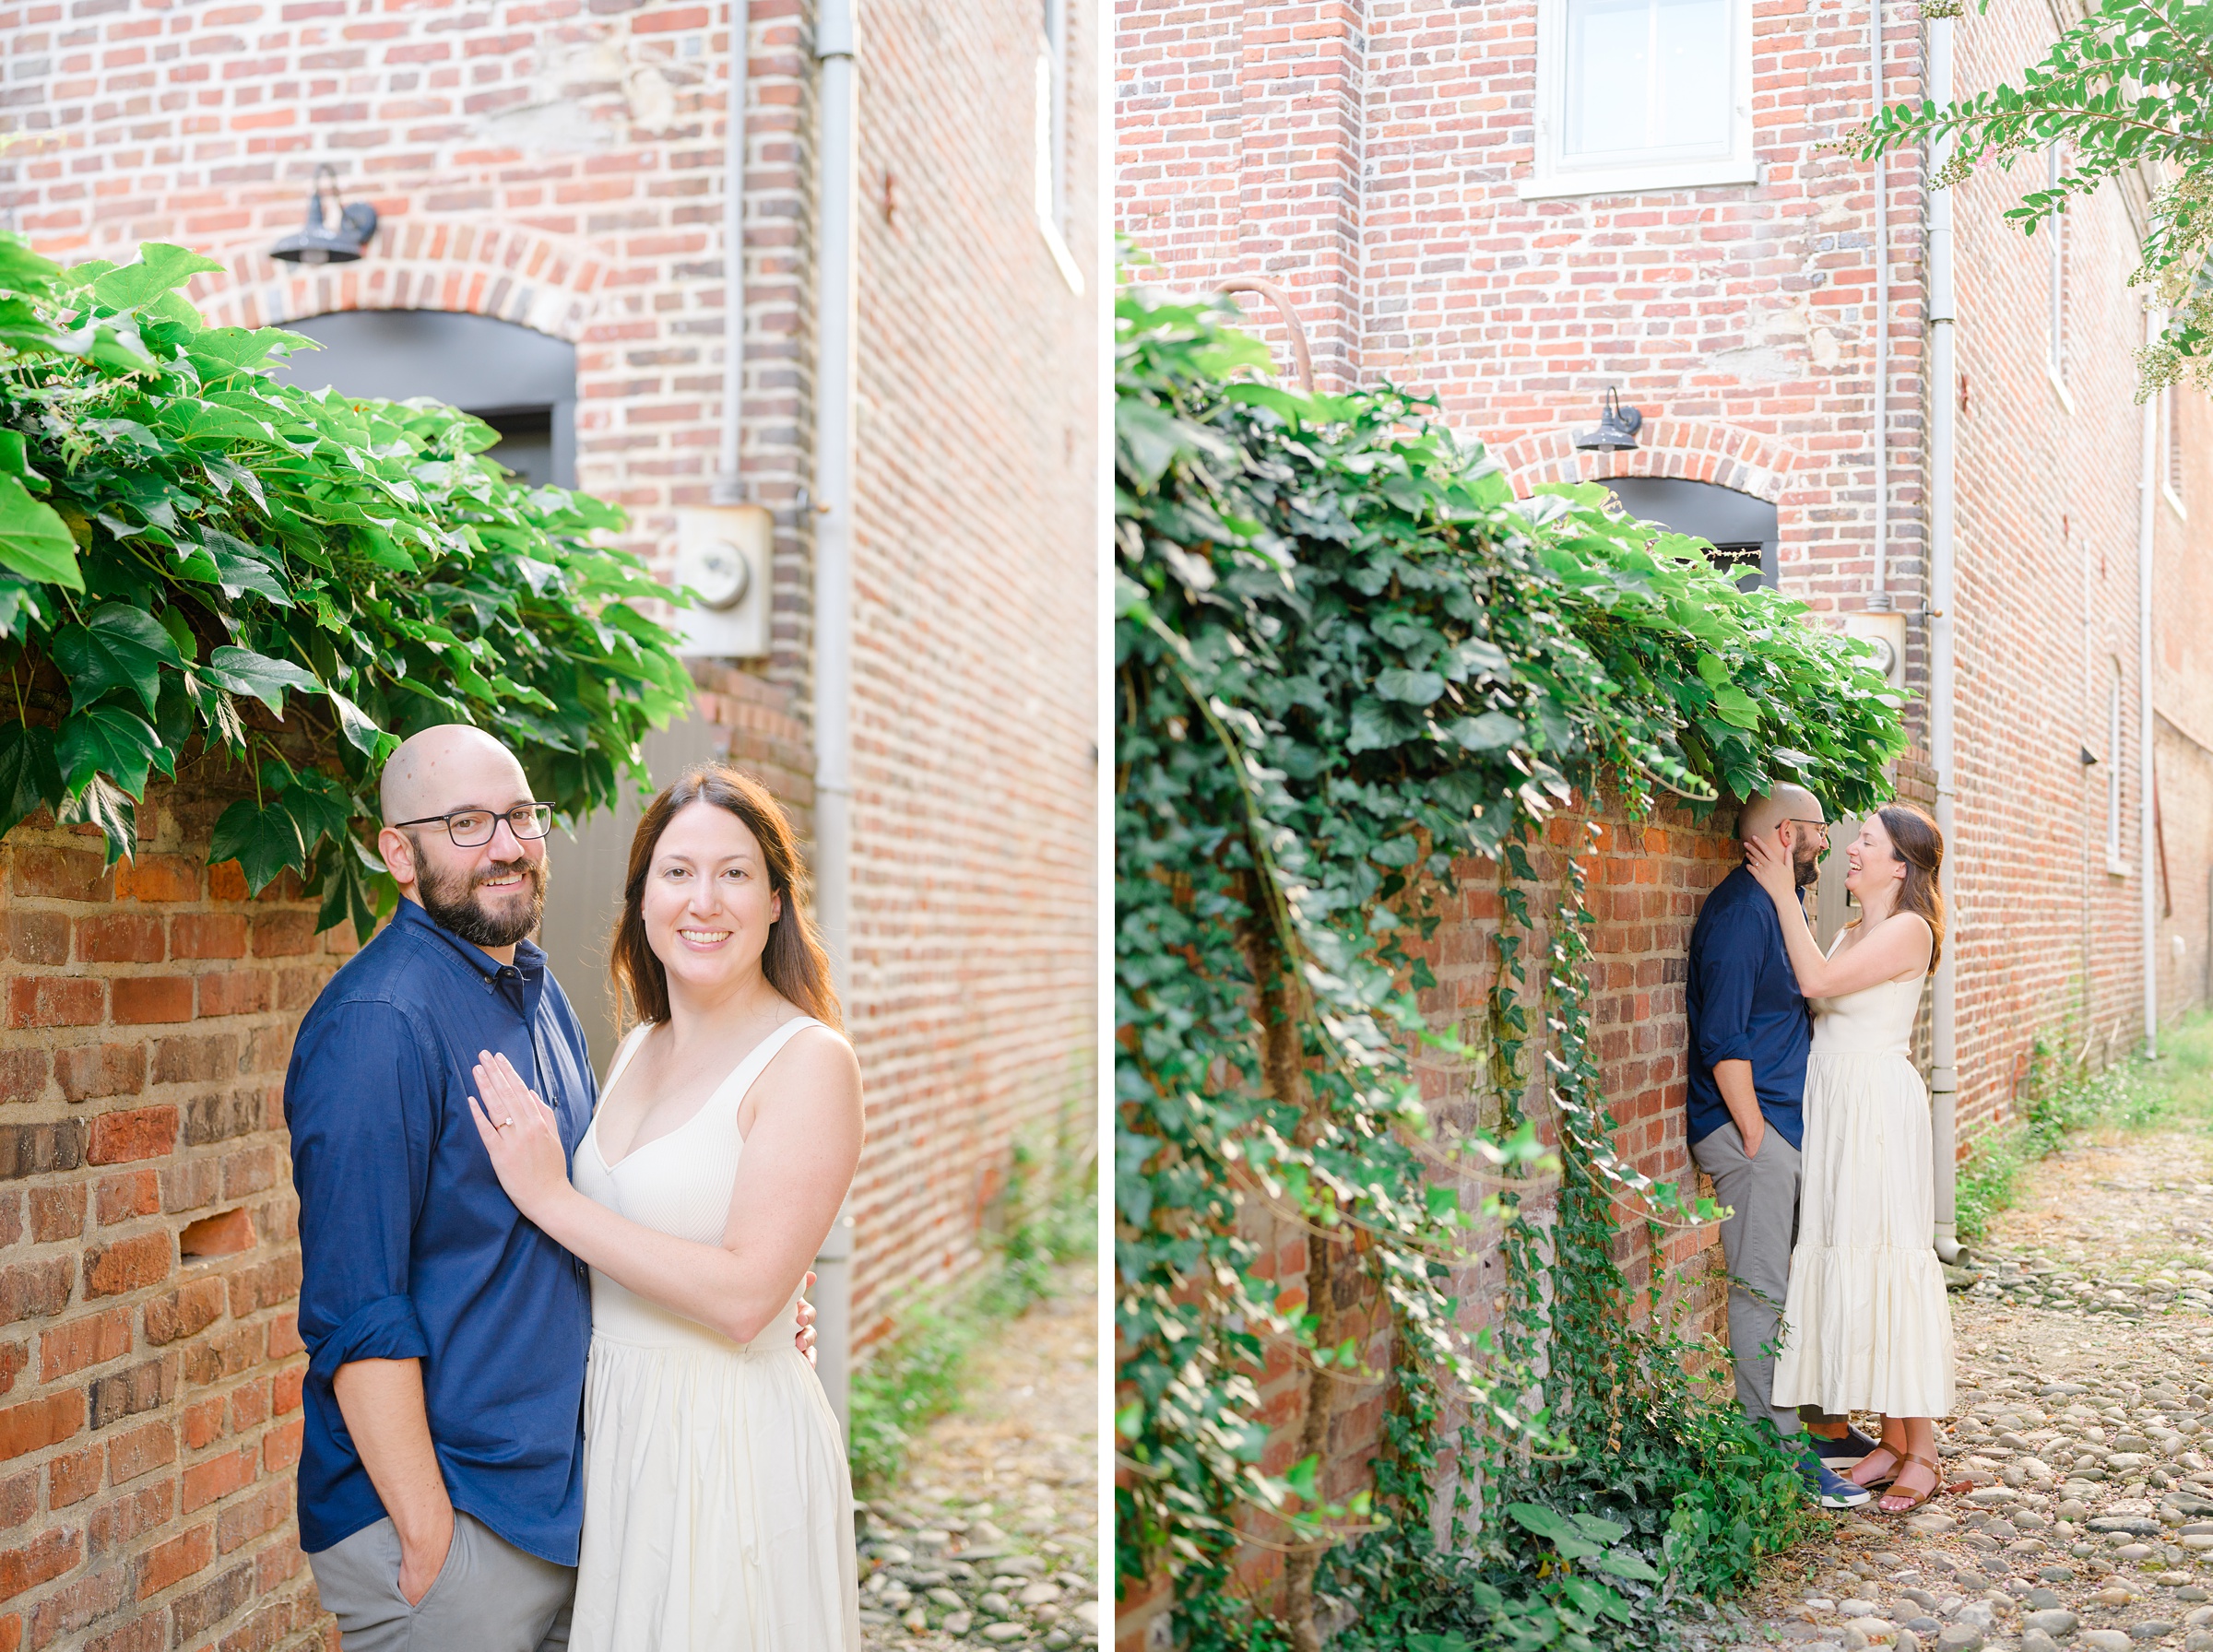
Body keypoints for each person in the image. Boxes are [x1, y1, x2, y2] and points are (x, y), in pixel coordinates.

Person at [285, 726, 814, 1651]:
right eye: (465, 822)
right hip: (457, 1519)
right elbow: (357, 1312)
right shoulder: (379, 1024)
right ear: (399, 854)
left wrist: (750, 1296)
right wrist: (428, 1537)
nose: (504, 844)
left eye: (521, 815)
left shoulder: (534, 992)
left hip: (566, 1503)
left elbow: (586, 1221)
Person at [469, 762, 865, 1650]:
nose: (704, 901)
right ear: (643, 899)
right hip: (622, 1437)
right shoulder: (638, 1046)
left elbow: (741, 1300)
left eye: (734, 873)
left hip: (729, 1448)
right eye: (678, 872)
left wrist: (549, 1198)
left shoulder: (809, 1064)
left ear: (775, 902)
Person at [1745, 802, 1955, 1516]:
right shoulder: (1850, 927)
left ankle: (1921, 1448)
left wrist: (1778, 890)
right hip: (1836, 1103)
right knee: (1850, 1253)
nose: (1853, 850)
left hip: (1873, 1109)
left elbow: (1816, 985)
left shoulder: (1908, 930)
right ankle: (1892, 1444)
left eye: (1867, 842)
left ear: (1901, 864)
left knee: (1885, 1256)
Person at [1684, 784, 1871, 1509]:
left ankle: (1810, 1429)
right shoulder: (1738, 917)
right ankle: (1780, 1460)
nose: (1827, 843)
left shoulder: (1772, 906)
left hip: (1782, 1131)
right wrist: (1758, 1137)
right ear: (1789, 833)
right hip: (1753, 1136)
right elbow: (1724, 1041)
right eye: (1821, 831)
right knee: (1761, 1292)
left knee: (1790, 1290)